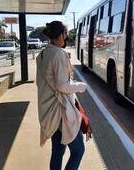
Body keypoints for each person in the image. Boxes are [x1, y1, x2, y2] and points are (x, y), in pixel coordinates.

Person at [36, 21, 88, 170]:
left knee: (58, 151)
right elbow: (63, 86)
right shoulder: (58, 53)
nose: (66, 38)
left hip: (49, 110)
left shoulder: (43, 53)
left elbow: (42, 82)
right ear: (59, 35)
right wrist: (81, 86)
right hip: (61, 111)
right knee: (78, 151)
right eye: (65, 35)